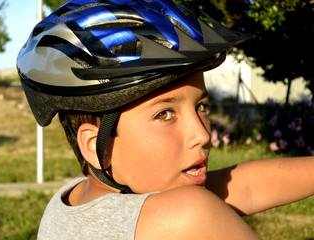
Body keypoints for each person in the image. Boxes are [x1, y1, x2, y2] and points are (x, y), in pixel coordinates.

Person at [17, 0, 314, 239]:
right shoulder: (189, 214)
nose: (202, 135)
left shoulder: (67, 201)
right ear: (97, 146)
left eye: (202, 107)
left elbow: (245, 186)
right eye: (164, 114)